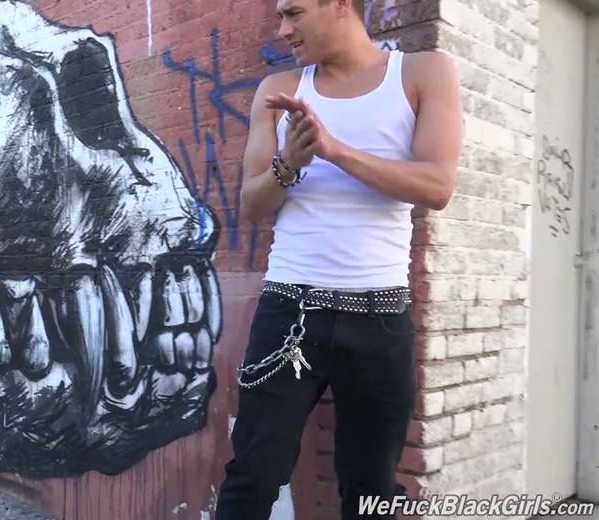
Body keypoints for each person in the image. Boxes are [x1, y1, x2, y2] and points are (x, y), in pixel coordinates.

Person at [217, 0, 462, 518]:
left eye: (294, 13)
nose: (283, 29)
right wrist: (289, 162)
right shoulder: (279, 90)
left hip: (380, 317)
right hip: (289, 312)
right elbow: (251, 205)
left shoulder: (423, 73)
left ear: (340, 5)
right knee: (252, 477)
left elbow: (437, 185)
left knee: (371, 490)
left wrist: (334, 150)